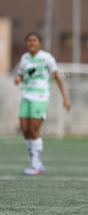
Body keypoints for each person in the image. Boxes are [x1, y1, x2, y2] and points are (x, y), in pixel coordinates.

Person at [14, 31, 71, 175]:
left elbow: (57, 77)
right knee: (25, 130)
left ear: (40, 43)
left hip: (40, 97)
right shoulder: (24, 58)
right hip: (26, 96)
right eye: (29, 41)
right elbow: (21, 73)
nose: (31, 43)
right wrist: (19, 79)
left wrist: (65, 97)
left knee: (34, 130)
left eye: (34, 40)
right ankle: (36, 162)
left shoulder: (47, 58)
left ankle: (36, 165)